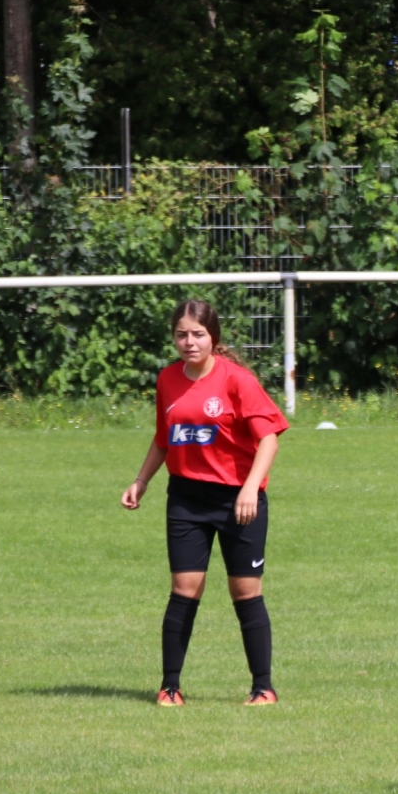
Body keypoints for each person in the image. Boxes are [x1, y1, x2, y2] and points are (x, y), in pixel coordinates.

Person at [120, 299, 288, 706]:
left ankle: (263, 688)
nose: (189, 342)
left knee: (245, 590)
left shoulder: (238, 381)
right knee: (184, 589)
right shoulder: (168, 379)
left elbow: (269, 439)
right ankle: (169, 687)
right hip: (186, 498)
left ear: (213, 337)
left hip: (238, 499)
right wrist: (141, 481)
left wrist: (249, 488)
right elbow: (164, 438)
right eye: (181, 335)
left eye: (198, 334)